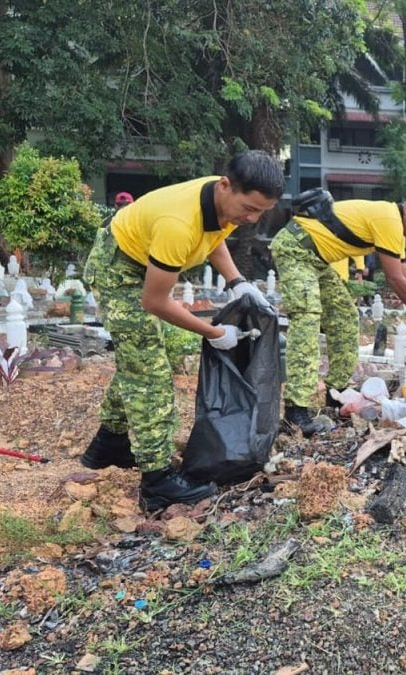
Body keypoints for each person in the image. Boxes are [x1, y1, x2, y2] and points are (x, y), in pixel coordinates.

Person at [81, 151, 283, 512]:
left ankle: (108, 444)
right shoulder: (178, 222)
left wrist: (237, 281)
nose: (252, 219)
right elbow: (155, 302)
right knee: (149, 372)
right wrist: (212, 332)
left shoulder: (222, 202)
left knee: (143, 355)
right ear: (225, 186)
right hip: (119, 271)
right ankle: (157, 481)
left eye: (260, 213)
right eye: (249, 209)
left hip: (141, 260)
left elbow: (215, 236)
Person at [272, 192, 406, 436]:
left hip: (317, 261)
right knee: (307, 319)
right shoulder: (388, 218)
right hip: (296, 248)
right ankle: (295, 413)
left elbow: (404, 273)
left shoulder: (396, 229)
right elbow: (394, 277)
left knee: (345, 316)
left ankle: (336, 396)